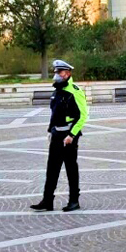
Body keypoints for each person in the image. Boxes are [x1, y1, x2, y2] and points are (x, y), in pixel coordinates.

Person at [31, 59, 88, 212]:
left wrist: (71, 135)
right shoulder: (57, 90)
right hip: (57, 135)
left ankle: (74, 201)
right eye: (56, 72)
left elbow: (83, 115)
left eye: (60, 72)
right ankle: (47, 201)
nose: (57, 75)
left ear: (68, 74)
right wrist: (50, 131)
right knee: (52, 169)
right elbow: (54, 113)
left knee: (71, 169)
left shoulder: (75, 91)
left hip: (69, 137)